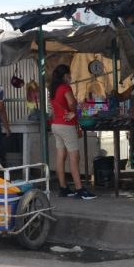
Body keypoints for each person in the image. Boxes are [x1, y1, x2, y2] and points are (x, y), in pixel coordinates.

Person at [50, 64, 95, 199]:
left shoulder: (53, 89)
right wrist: (73, 113)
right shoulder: (65, 87)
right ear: (65, 76)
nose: (71, 77)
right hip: (66, 125)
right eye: (69, 75)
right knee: (74, 157)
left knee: (60, 156)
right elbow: (72, 103)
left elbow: (53, 110)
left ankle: (63, 188)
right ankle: (79, 189)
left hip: (56, 125)